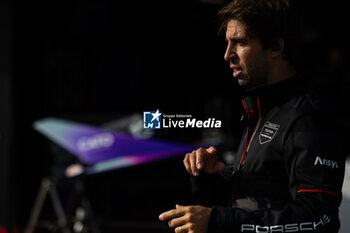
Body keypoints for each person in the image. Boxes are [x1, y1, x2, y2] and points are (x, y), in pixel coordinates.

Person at [159, 0, 346, 232]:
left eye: (239, 42)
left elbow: (318, 221)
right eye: (227, 43)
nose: (227, 55)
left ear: (276, 47)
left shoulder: (309, 117)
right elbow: (258, 198)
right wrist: (210, 176)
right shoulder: (259, 109)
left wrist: (217, 221)